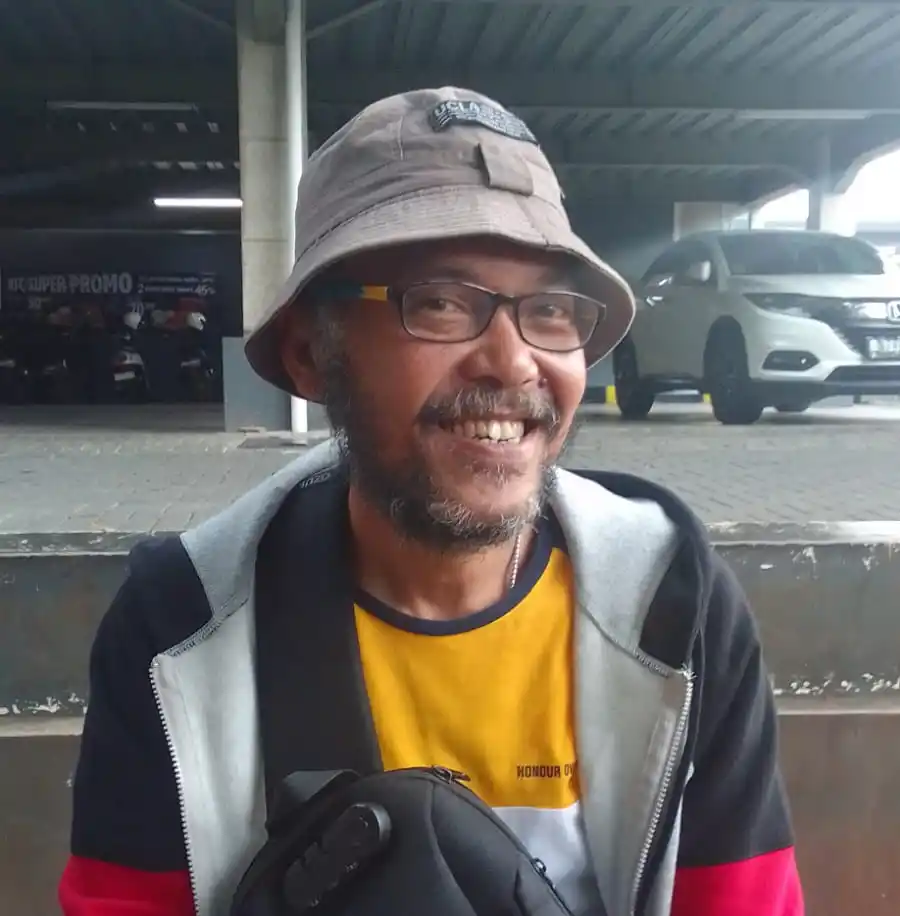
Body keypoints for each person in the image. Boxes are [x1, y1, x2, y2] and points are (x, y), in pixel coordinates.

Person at [59, 87, 804, 916]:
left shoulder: (671, 608)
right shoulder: (182, 627)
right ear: (312, 352)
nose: (513, 363)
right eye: (442, 302)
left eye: (550, 310)